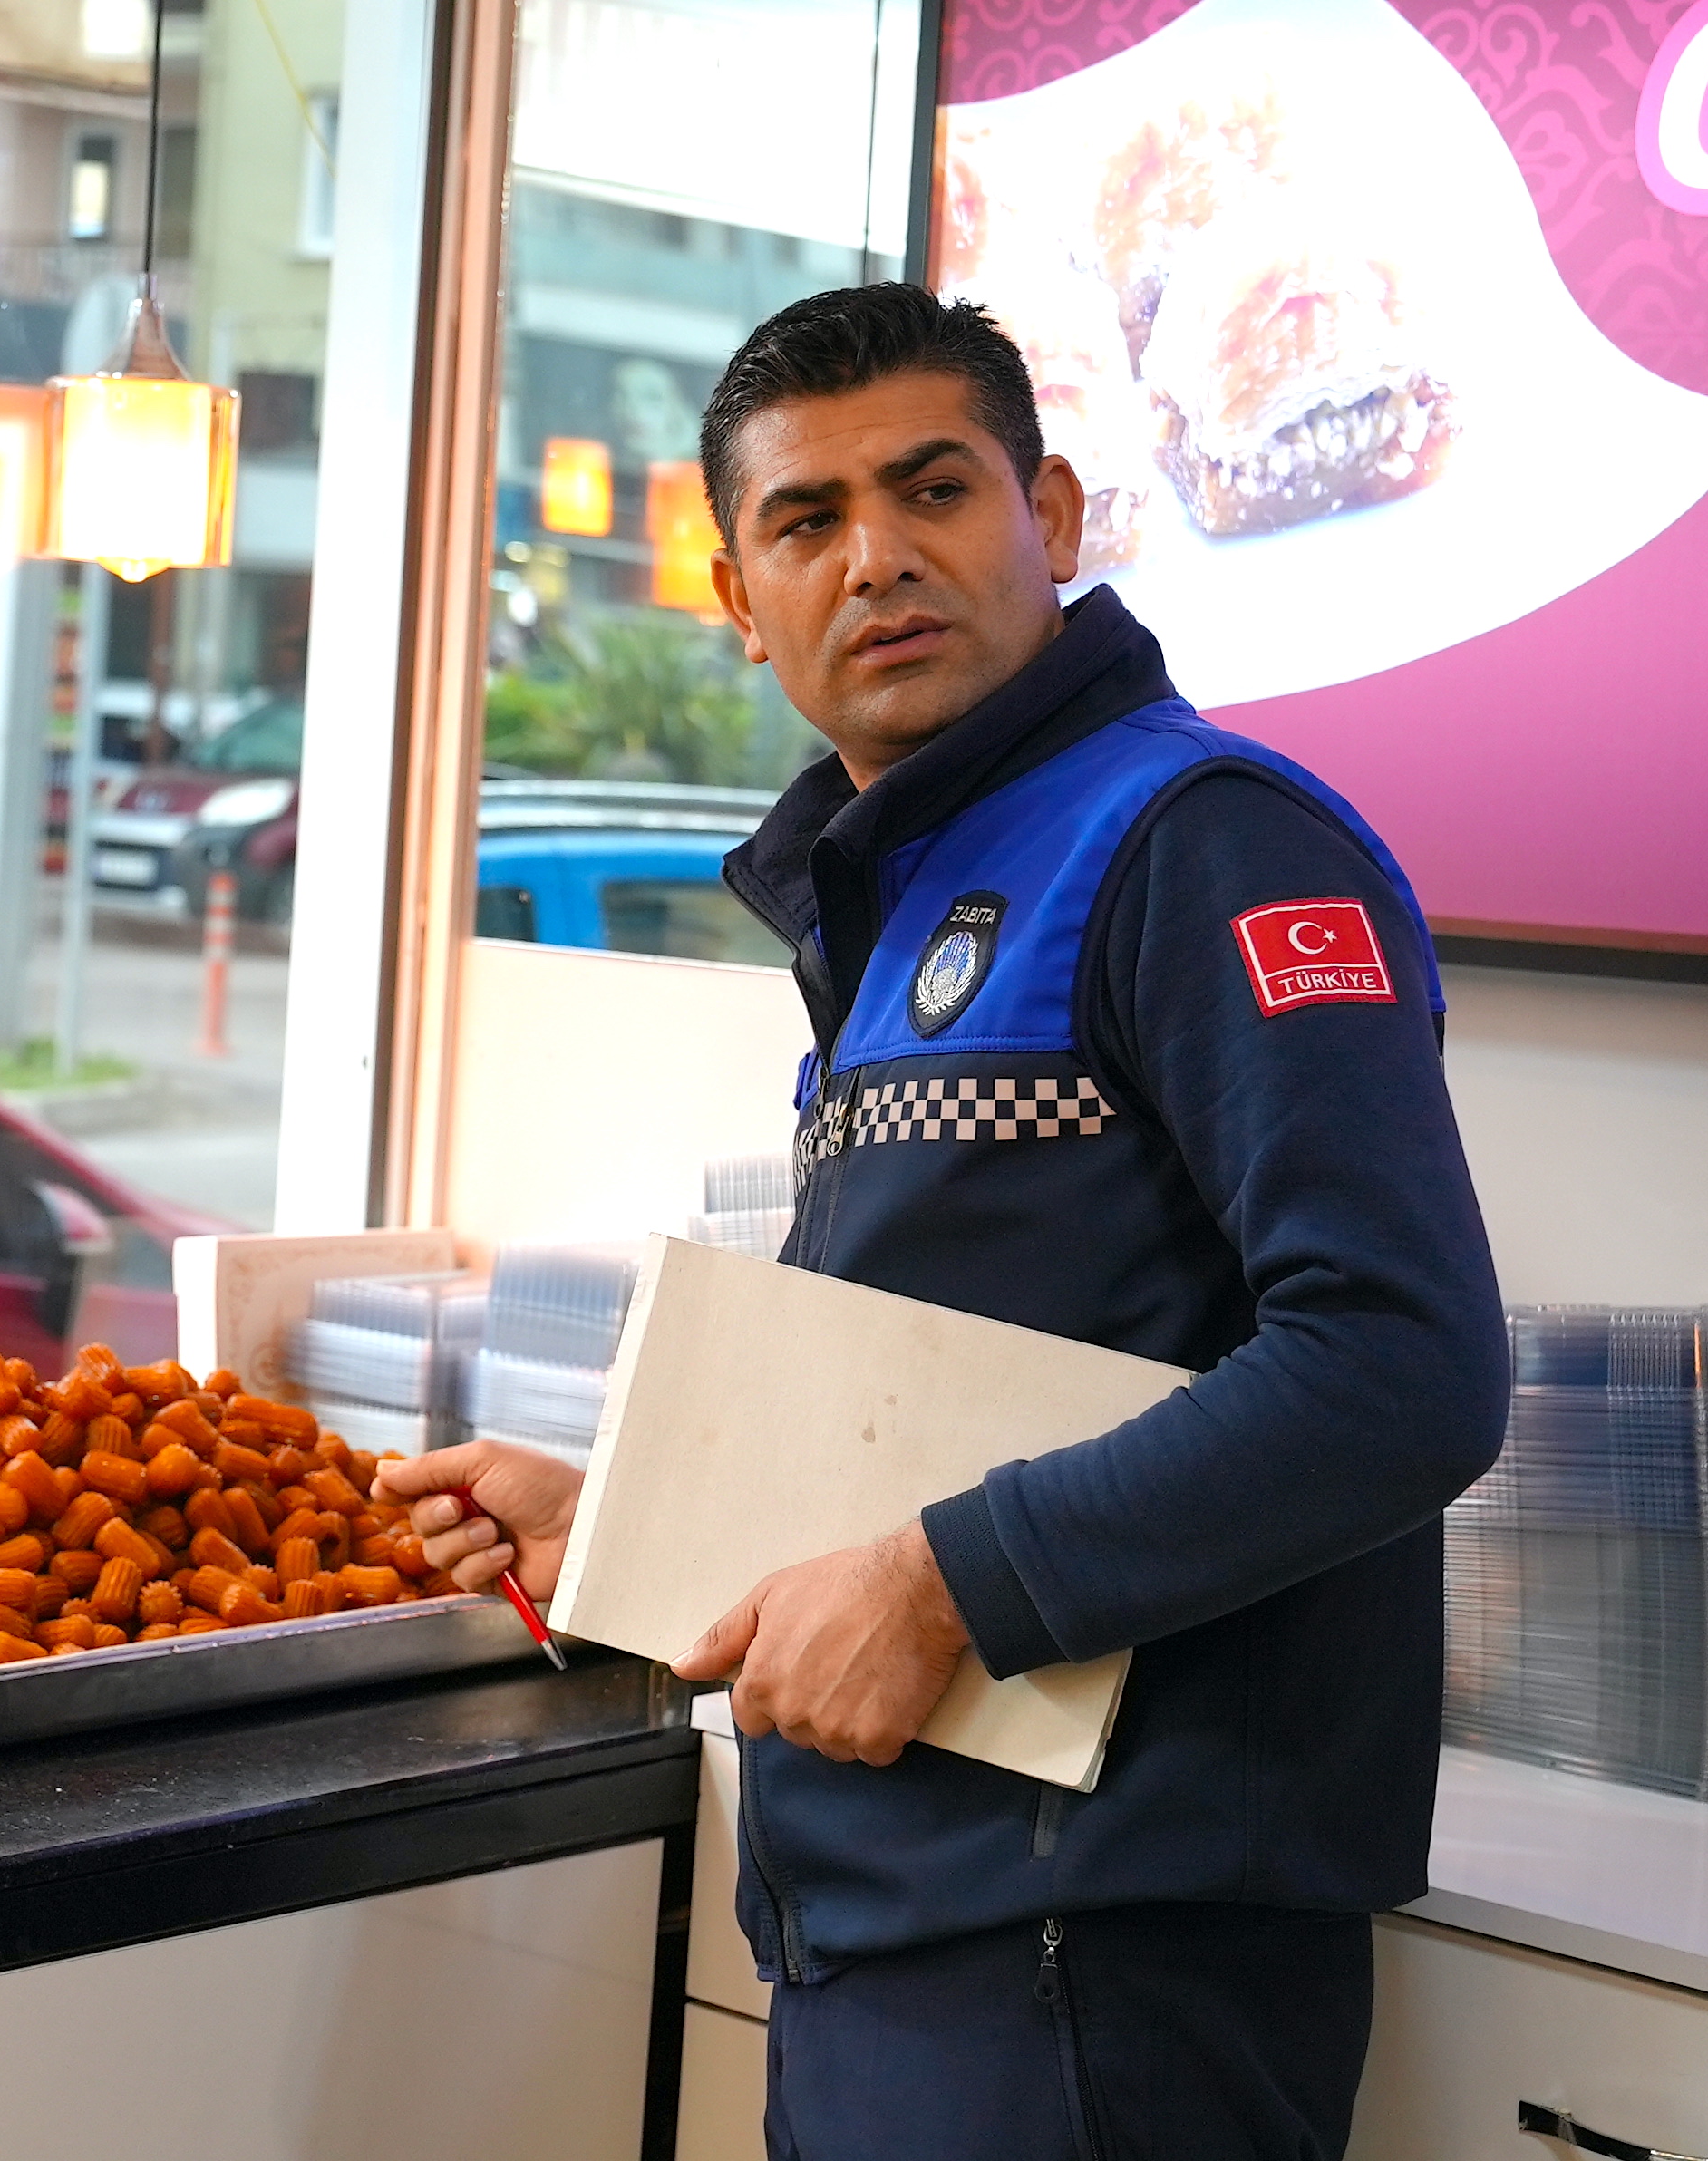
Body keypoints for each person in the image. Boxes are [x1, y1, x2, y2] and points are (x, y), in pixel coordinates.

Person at [379, 284, 1506, 2159]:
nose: (877, 558)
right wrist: (639, 1529)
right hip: (904, 1927)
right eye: (804, 523)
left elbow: (1397, 1366)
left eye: (933, 492)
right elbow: (966, 1378)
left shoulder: (1197, 842)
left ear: (1049, 520)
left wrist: (941, 1584)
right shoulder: (917, 877)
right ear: (739, 607)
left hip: (1093, 1956)